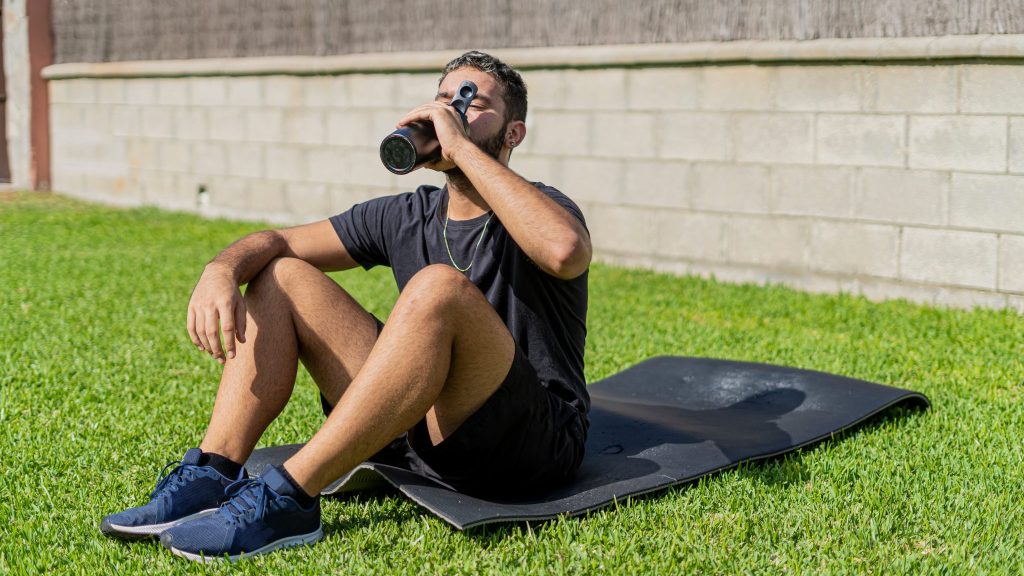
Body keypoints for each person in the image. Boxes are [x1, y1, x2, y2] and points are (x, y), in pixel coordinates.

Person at [99, 50, 592, 562]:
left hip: (529, 446)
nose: (451, 110)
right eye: (445, 98)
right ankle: (214, 471)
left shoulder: (545, 205)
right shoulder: (409, 214)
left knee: (436, 287)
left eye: (472, 102)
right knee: (280, 274)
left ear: (513, 134)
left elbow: (565, 252)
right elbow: (277, 241)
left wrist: (463, 149)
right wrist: (219, 269)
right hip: (417, 436)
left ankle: (292, 496)